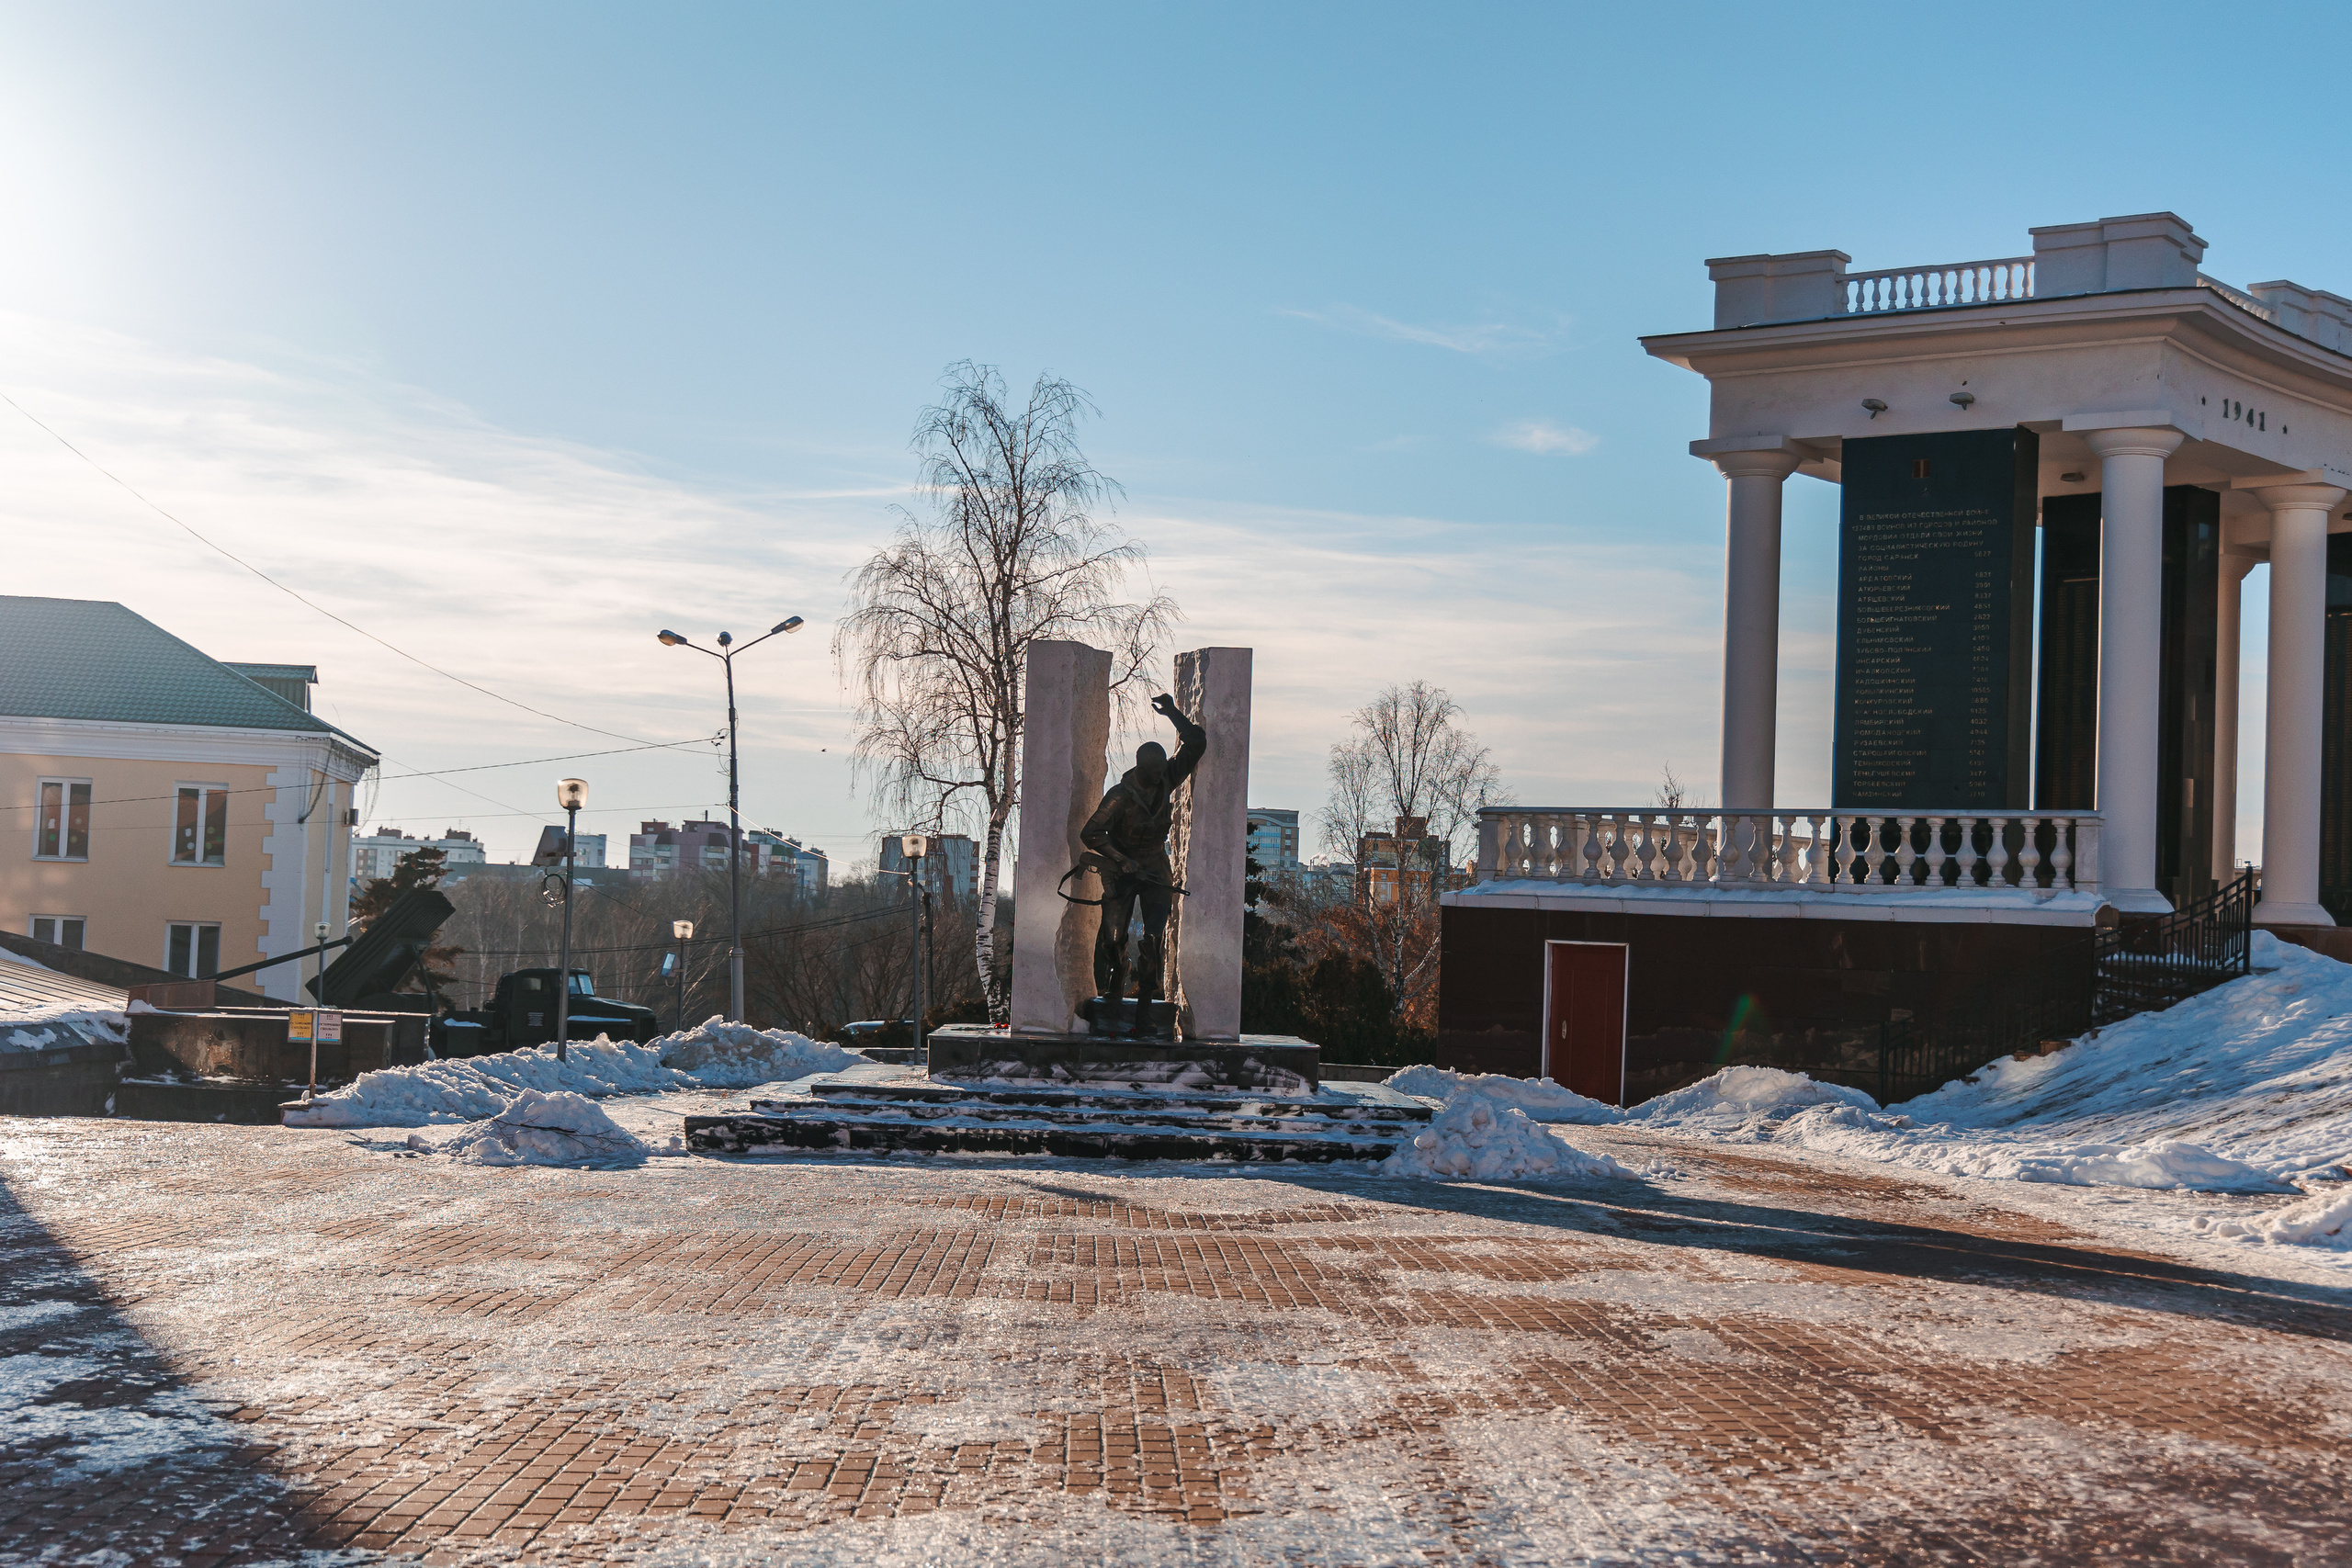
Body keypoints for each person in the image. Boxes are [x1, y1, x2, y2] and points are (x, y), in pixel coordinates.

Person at [1080, 693, 1206, 1027]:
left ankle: (1147, 1001)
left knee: (1153, 936)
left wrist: (1173, 714)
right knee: (1113, 936)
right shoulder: (1119, 796)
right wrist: (1120, 859)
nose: (1159, 778)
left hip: (1154, 865)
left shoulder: (1165, 778)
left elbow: (1195, 742)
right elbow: (1090, 834)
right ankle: (1115, 983)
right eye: (1154, 773)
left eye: (1162, 771)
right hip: (1122, 870)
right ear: (1141, 769)